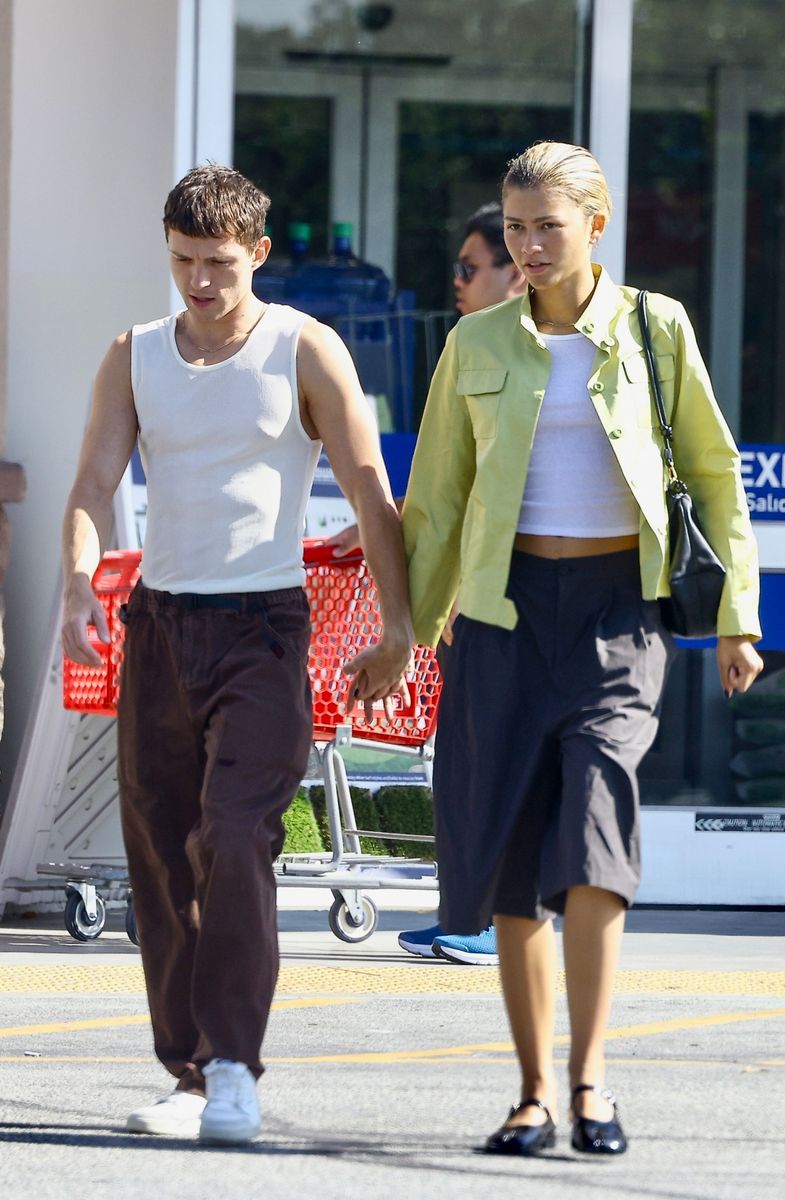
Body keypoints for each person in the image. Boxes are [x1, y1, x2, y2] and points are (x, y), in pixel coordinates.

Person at [401, 141, 763, 1158]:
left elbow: (713, 470)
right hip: (502, 617)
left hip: (617, 613)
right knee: (511, 861)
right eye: (513, 227)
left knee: (597, 835)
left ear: (595, 227)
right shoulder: (476, 343)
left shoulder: (653, 327)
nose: (525, 245)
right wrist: (407, 631)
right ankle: (530, 1094)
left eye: (545, 227)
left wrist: (737, 615)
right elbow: (435, 503)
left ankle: (592, 1083)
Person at [61, 165, 413, 1145]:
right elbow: (92, 482)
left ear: (257, 253)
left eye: (218, 263)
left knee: (235, 837)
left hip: (264, 628)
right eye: (182, 262)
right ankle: (185, 1072)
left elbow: (370, 485)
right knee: (161, 851)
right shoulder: (132, 354)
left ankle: (232, 1069)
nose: (199, 283)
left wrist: (399, 627)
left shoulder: (305, 348)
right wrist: (77, 587)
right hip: (159, 627)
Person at [324, 202, 525, 967]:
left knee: (494, 762)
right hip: (479, 596)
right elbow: (453, 487)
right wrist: (393, 524)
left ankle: (492, 922)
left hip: (526, 594)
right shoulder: (476, 351)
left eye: (472, 267)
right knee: (470, 760)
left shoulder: (558, 354)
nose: (459, 282)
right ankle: (472, 918)